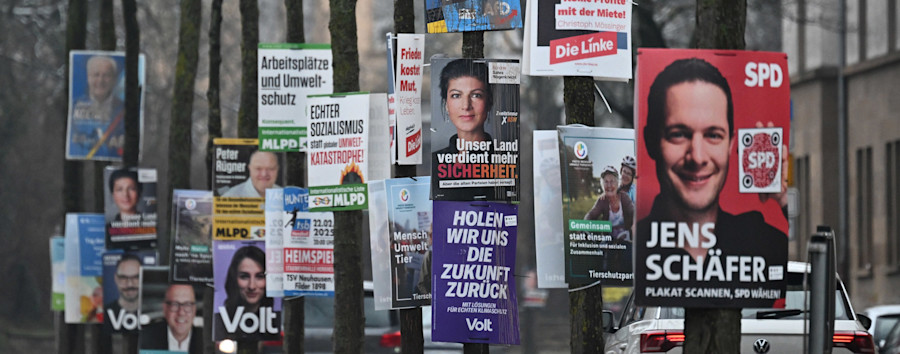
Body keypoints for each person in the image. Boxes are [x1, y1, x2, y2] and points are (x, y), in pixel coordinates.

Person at [637, 58, 787, 284]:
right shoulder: (633, 246)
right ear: (650, 142)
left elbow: (813, 272)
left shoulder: (764, 242)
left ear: (731, 144)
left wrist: (784, 202)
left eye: (713, 135)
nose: (697, 157)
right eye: (679, 134)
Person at [431, 59, 497, 200]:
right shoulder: (434, 162)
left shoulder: (503, 161)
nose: (466, 106)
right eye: (456, 95)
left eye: (476, 95)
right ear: (446, 104)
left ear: (489, 102)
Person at [70, 55, 125, 158]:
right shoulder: (73, 107)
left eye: (106, 75)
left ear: (114, 79)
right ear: (88, 78)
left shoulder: (124, 110)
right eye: (96, 75)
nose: (100, 80)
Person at [215, 245, 276, 339]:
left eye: (259, 276)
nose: (252, 286)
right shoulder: (219, 322)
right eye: (244, 276)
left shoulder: (277, 321)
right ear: (234, 279)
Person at [140, 284, 203, 353]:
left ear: (194, 310)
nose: (181, 312)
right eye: (175, 304)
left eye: (187, 304)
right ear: (165, 308)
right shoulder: (144, 339)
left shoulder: (207, 341)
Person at [585, 165, 634, 241]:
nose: (609, 185)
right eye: (606, 182)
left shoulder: (624, 197)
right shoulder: (602, 200)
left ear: (617, 183)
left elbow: (634, 214)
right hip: (608, 241)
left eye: (612, 181)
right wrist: (583, 227)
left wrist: (632, 229)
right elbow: (591, 215)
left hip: (625, 240)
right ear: (602, 185)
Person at [103, 254, 140, 332]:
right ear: (116, 279)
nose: (130, 284)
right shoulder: (104, 315)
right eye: (123, 278)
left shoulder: (154, 316)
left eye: (136, 277)